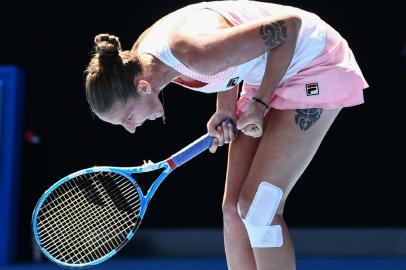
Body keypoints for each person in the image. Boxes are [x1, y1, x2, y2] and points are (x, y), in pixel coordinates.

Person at [84, 1, 368, 269]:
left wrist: (260, 104)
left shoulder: (195, 53)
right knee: (234, 210)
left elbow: (289, 27)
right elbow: (229, 56)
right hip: (266, 70)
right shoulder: (138, 60)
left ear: (143, 87)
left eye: (128, 118)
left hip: (312, 62)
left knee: (260, 210)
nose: (132, 128)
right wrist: (225, 108)